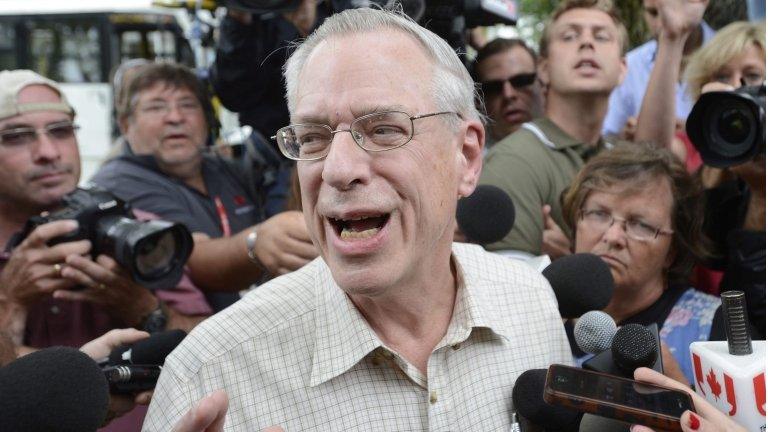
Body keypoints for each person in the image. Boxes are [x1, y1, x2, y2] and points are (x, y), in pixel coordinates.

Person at [143, 7, 572, 431]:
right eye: (312, 137)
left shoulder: (530, 303)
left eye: (384, 129)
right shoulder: (207, 374)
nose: (337, 169)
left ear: (467, 156)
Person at [0, 69, 211, 431]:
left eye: (61, 131)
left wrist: (144, 307)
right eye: (16, 137)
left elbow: (214, 345)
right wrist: (11, 299)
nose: (48, 153)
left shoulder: (135, 228)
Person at [90, 62, 318, 310]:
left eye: (187, 105)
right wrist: (257, 242)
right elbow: (193, 260)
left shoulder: (223, 167)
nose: (175, 118)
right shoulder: (118, 184)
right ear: (125, 125)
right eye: (156, 107)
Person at [560, 142, 720, 385]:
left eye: (641, 225)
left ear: (673, 251)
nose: (613, 237)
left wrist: (681, 394)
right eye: (598, 214)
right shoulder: (538, 310)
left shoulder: (713, 329)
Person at [479, 0, 628, 257]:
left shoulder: (625, 161)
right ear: (544, 70)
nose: (586, 43)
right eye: (570, 36)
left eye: (601, 36)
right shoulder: (514, 162)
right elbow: (508, 292)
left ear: (622, 69)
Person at [683, 20, 766, 337]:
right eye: (721, 77)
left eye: (752, 76)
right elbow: (704, 252)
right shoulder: (696, 171)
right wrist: (718, 153)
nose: (736, 88)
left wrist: (761, 194)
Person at [601, 0, 714, 139]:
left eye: (675, 10)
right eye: (653, 13)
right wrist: (626, 136)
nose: (664, 22)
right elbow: (608, 135)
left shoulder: (733, 56)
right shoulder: (630, 65)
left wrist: (692, 132)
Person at [472, 38, 544, 148]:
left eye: (521, 81)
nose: (508, 94)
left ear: (543, 82)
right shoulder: (470, 162)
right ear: (477, 100)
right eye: (493, 87)